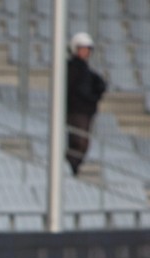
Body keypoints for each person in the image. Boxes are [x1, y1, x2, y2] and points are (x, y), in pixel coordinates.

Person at [66, 32, 107, 176]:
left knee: (83, 142)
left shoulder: (86, 70)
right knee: (79, 141)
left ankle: (73, 168)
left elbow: (100, 84)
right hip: (76, 111)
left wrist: (95, 94)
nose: (85, 52)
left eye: (87, 49)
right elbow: (77, 90)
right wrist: (91, 97)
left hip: (86, 111)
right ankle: (71, 168)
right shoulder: (71, 68)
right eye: (82, 49)